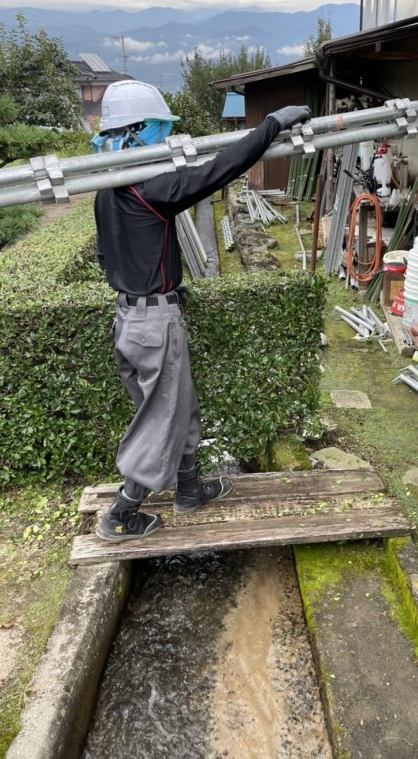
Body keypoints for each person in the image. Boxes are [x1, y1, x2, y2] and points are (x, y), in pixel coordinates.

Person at [91, 79, 310, 541]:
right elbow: (219, 170)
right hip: (153, 322)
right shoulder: (149, 188)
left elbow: (107, 257)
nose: (164, 139)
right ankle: (121, 514)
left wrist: (161, 284)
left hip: (130, 318)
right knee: (162, 418)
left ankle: (188, 489)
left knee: (179, 407)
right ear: (136, 131)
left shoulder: (105, 190)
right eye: (158, 130)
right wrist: (270, 126)